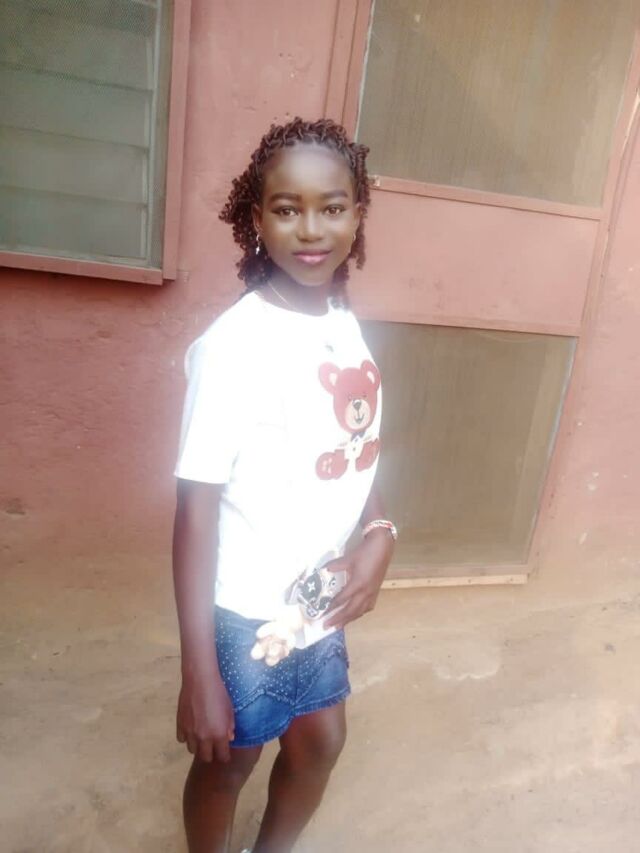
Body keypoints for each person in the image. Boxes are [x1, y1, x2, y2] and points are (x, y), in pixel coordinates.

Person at [172, 117, 397, 853]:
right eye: (286, 208)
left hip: (316, 596)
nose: (311, 229)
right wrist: (199, 672)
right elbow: (195, 510)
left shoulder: (338, 319)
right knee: (229, 757)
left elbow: (352, 446)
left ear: (357, 214)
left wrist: (379, 532)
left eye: (332, 207)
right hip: (246, 609)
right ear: (255, 217)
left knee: (320, 739)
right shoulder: (234, 348)